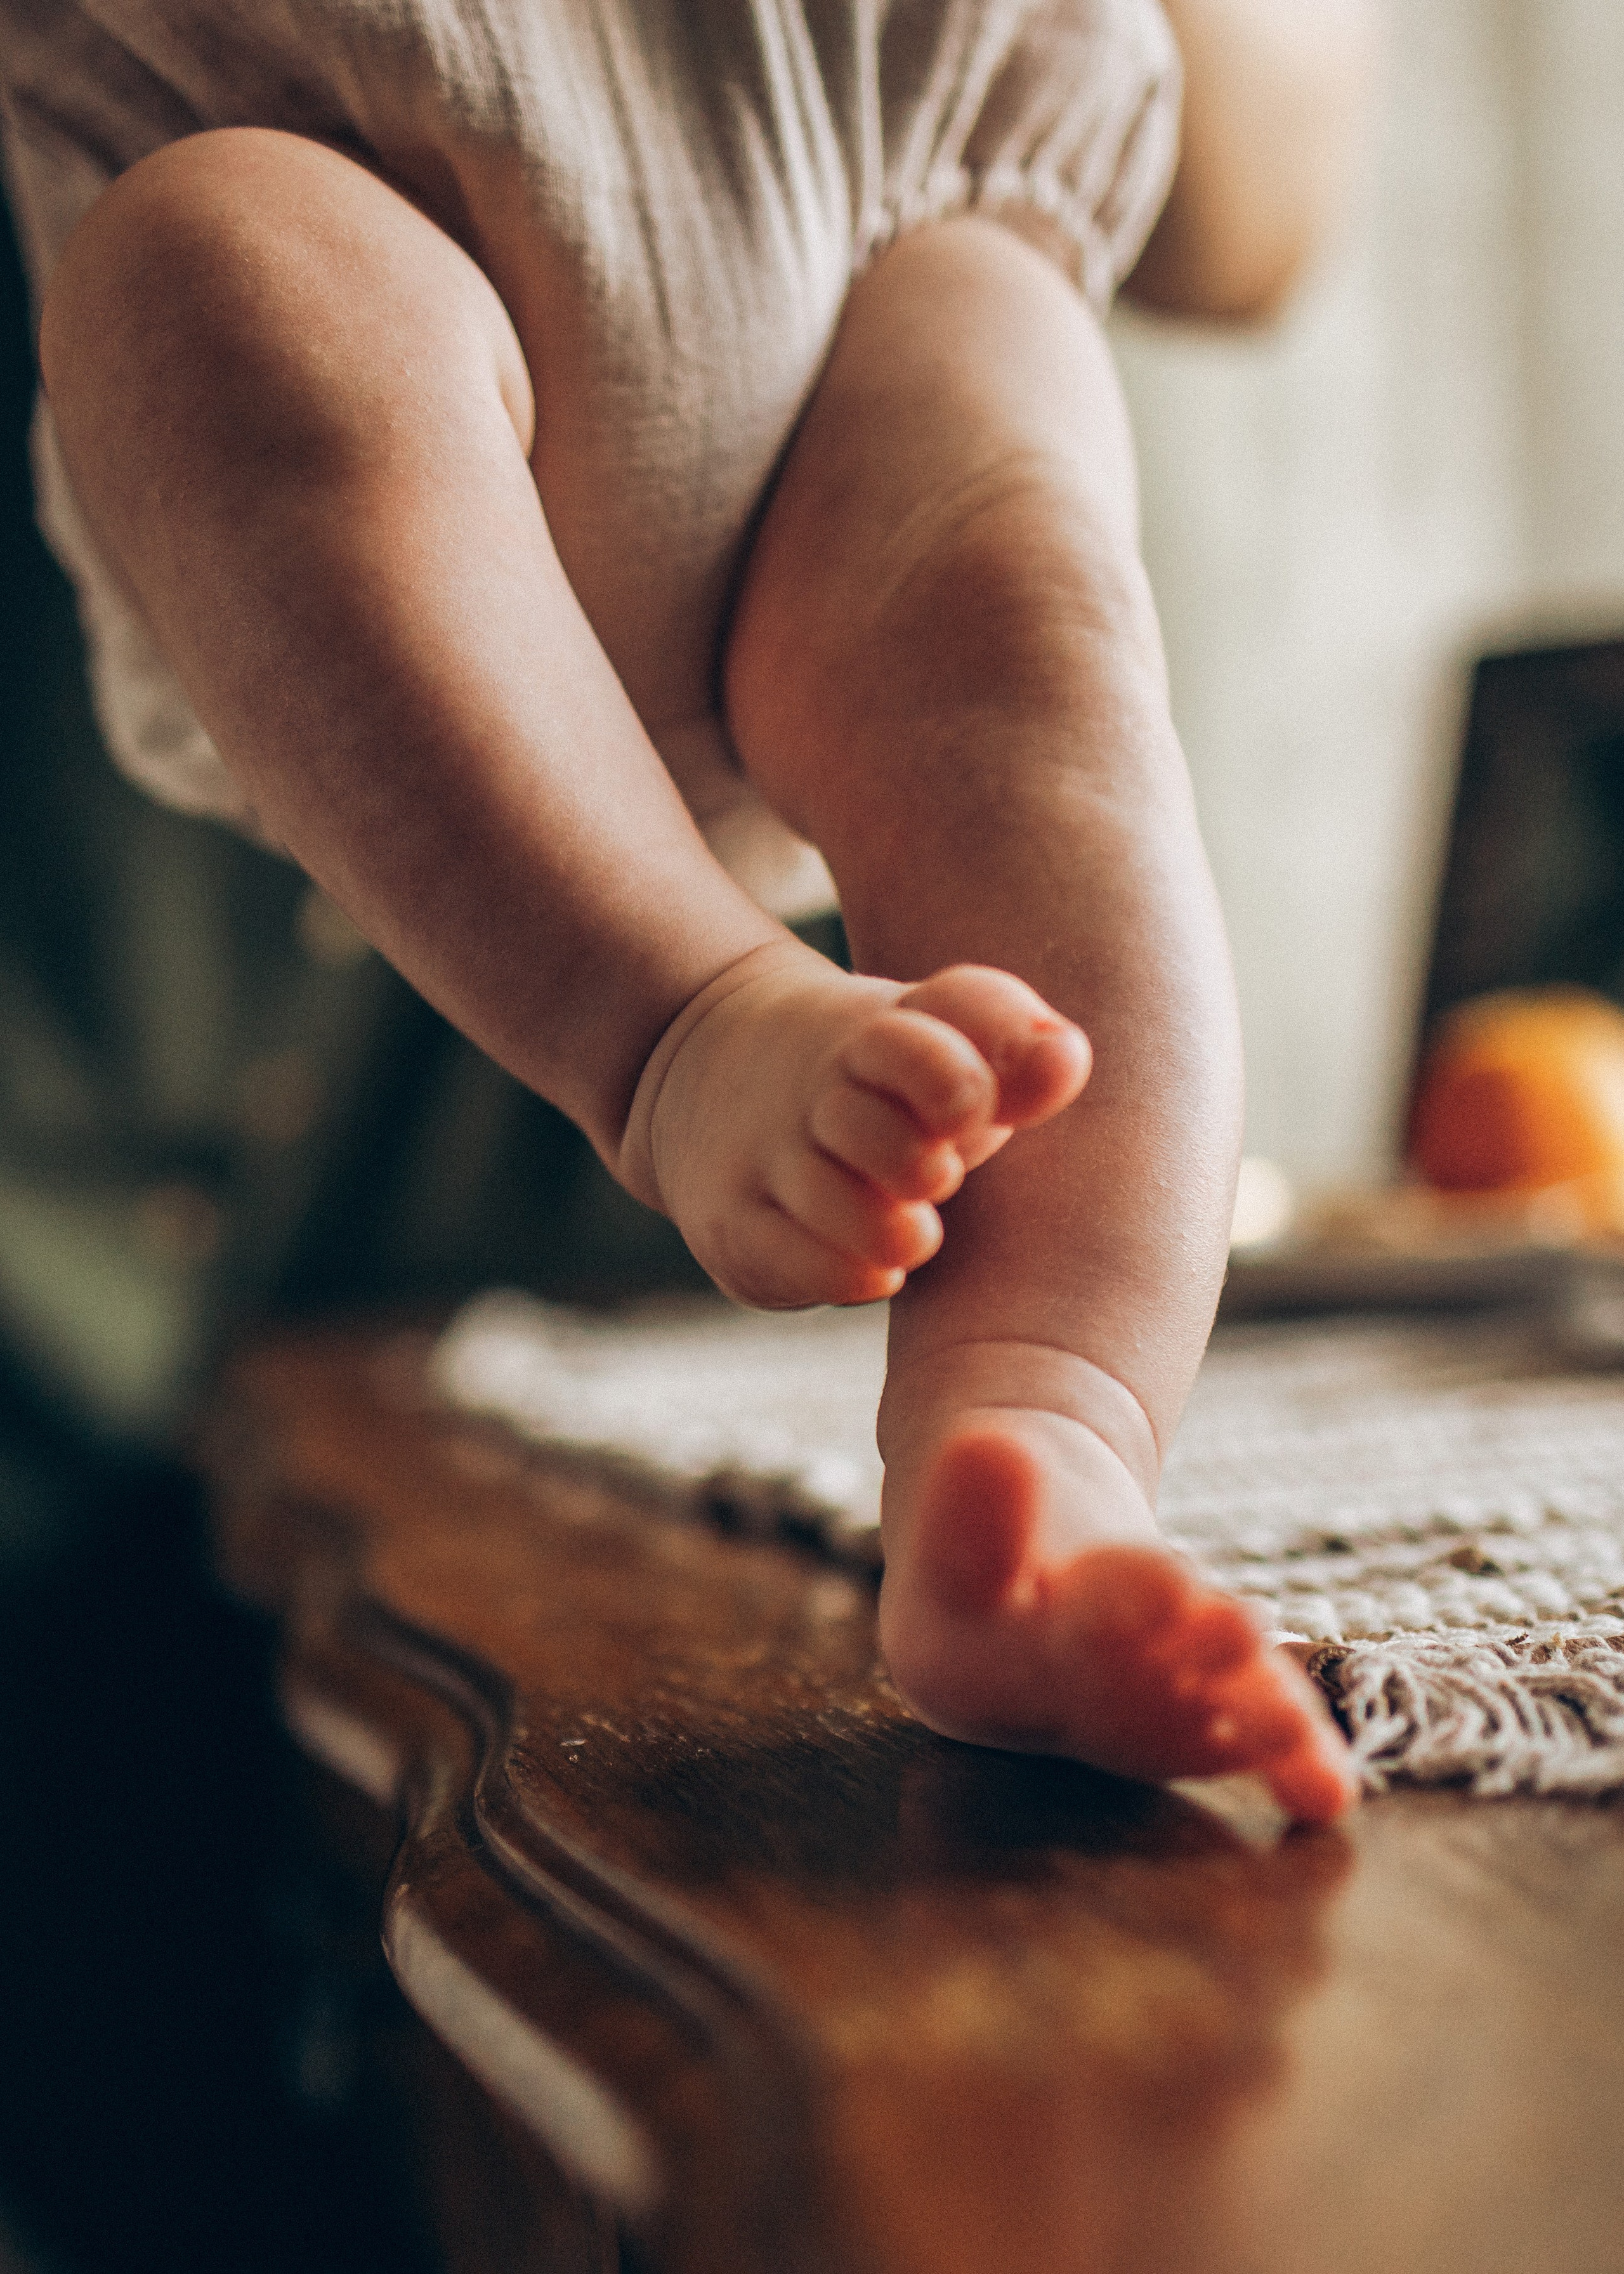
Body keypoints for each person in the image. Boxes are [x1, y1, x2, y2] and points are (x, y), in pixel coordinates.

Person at [3, 0, 1373, 1822]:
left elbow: (1266, 204)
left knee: (1038, 668)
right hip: (337, 137)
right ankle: (680, 1028)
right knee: (223, 265)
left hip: (878, 152)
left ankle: (1050, 1436)